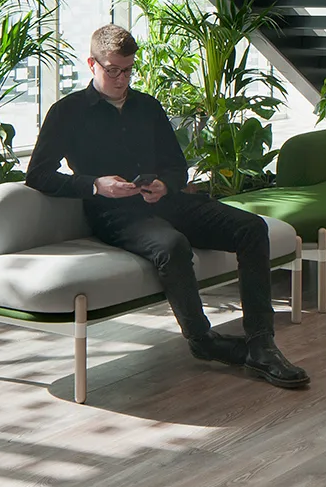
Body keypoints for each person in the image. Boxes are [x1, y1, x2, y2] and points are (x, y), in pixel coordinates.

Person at [26, 23, 309, 390]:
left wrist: (166, 183)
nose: (121, 78)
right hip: (115, 215)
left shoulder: (148, 106)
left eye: (128, 69)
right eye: (112, 69)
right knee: (172, 245)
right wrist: (95, 185)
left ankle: (261, 345)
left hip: (166, 201)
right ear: (91, 64)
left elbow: (177, 165)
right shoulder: (67, 112)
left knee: (252, 228)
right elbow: (38, 175)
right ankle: (202, 341)